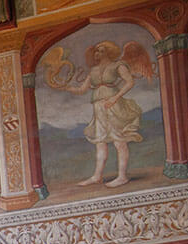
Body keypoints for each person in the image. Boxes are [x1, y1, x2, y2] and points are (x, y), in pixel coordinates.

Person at [58, 41, 145, 188]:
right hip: (99, 108)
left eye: (101, 50)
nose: (97, 53)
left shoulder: (118, 65)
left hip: (114, 105)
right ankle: (97, 176)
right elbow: (82, 90)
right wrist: (66, 87)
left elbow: (129, 82)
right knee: (100, 142)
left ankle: (122, 176)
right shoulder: (93, 71)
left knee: (119, 140)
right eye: (97, 51)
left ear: (109, 52)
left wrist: (114, 98)